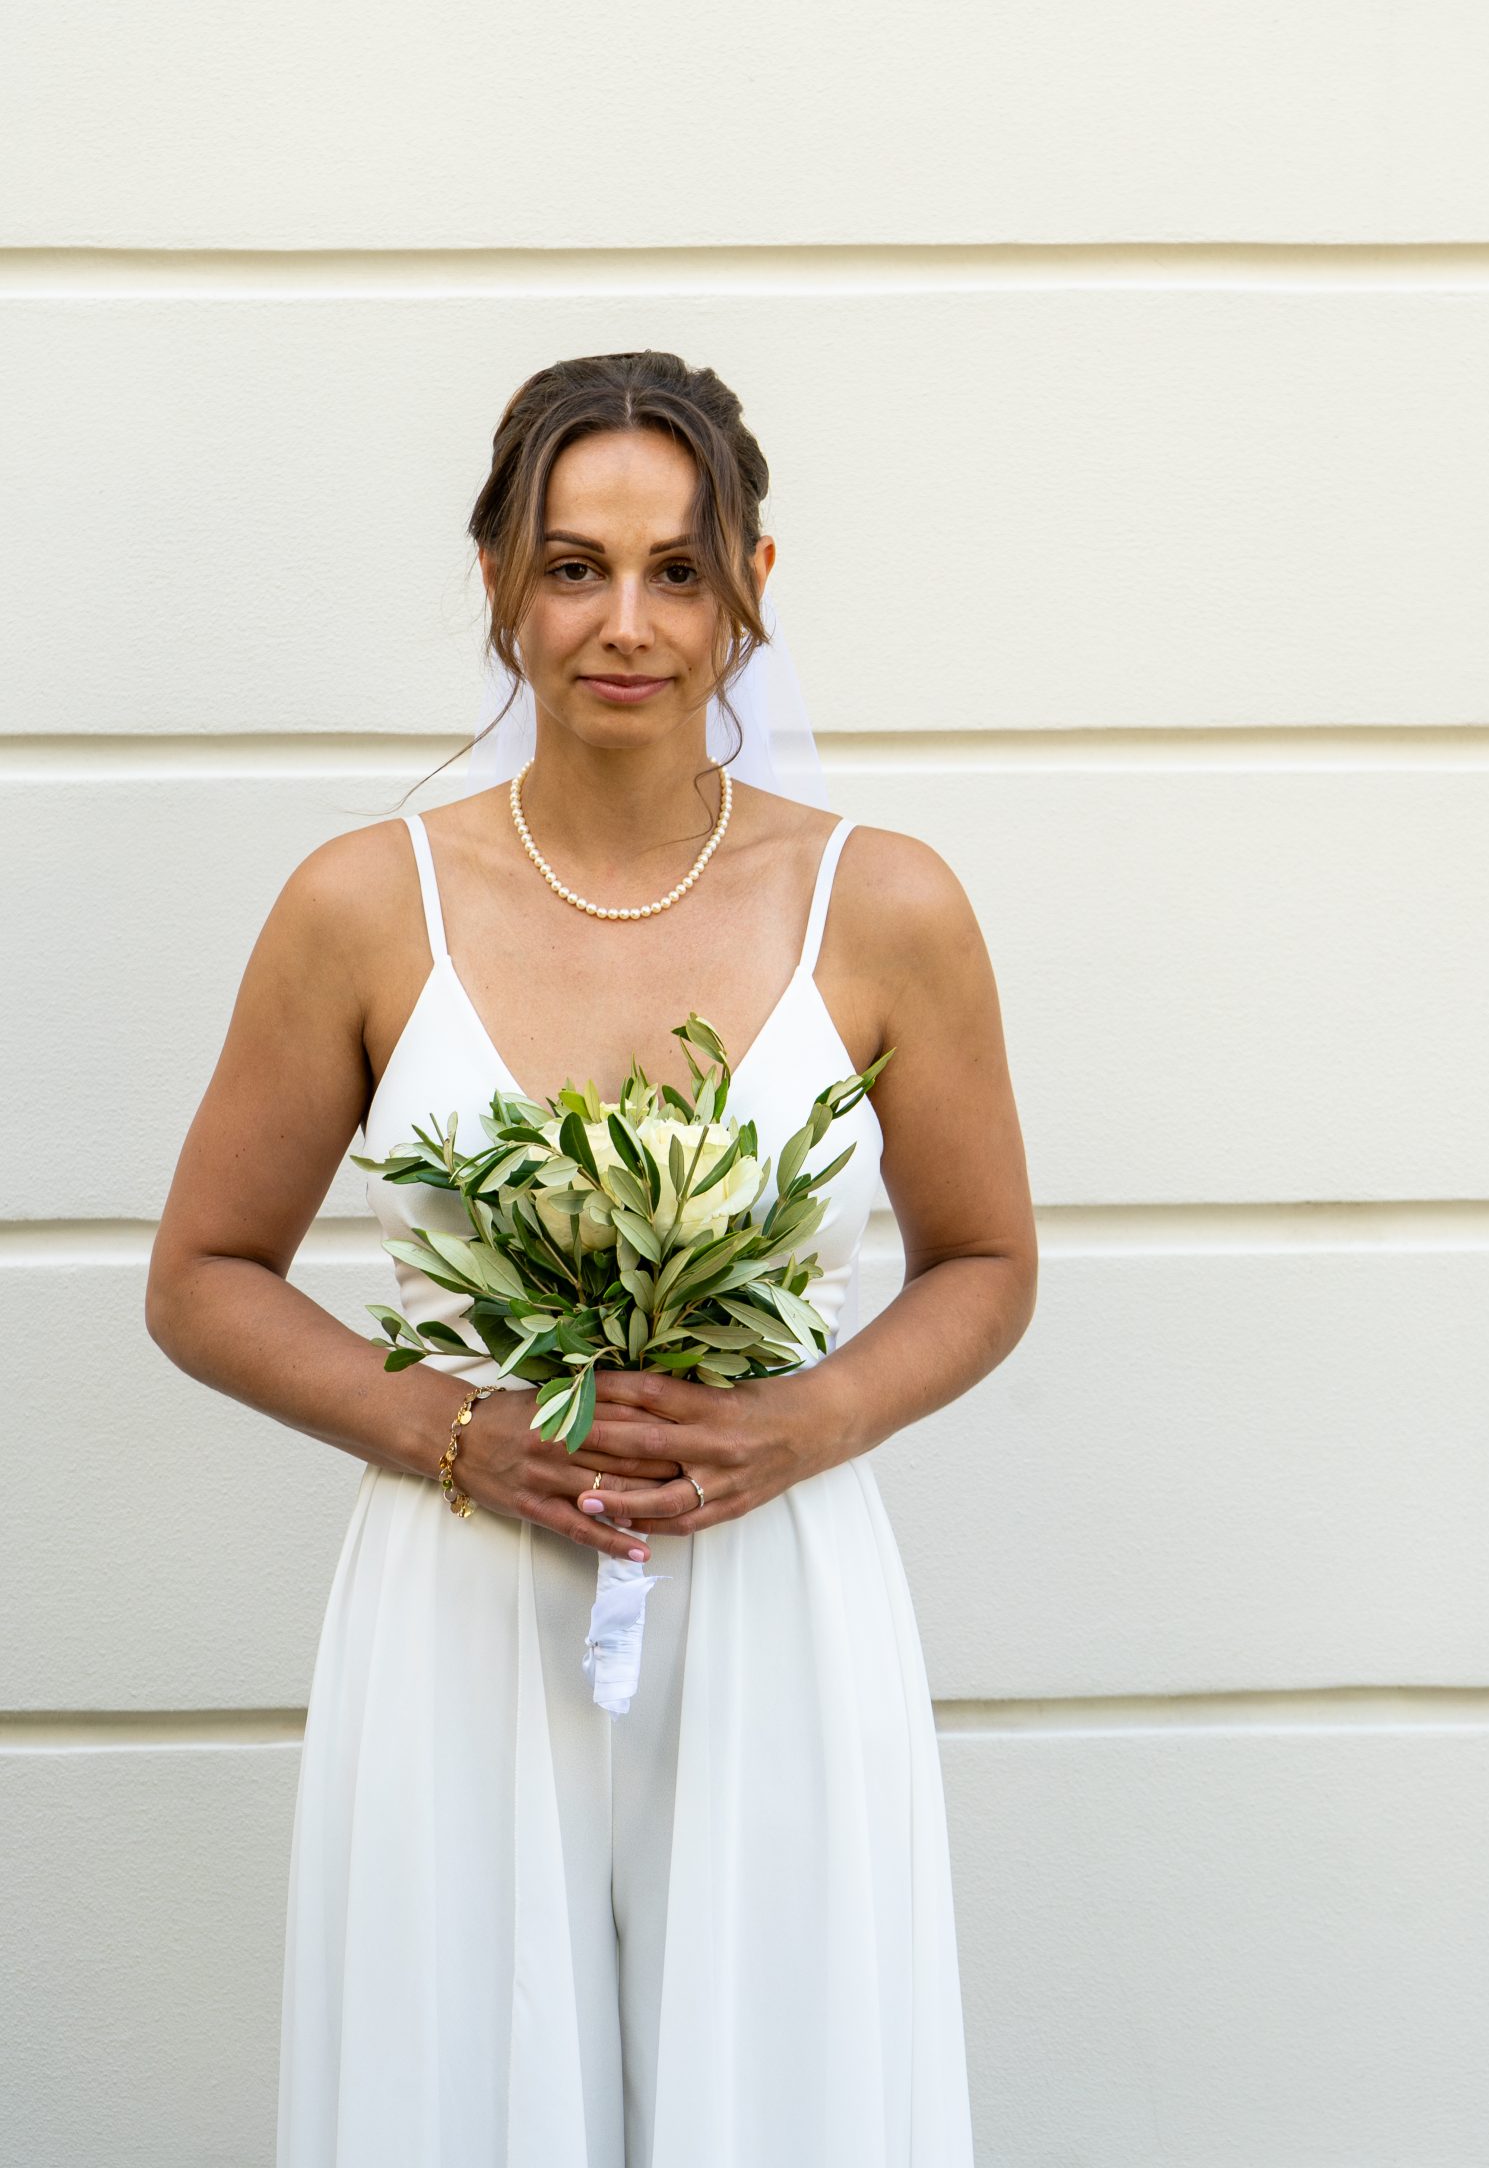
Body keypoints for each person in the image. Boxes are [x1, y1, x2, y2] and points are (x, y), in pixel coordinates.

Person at [145, 349, 1038, 2167]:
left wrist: (807, 1421)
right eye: (574, 568)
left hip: (777, 1601)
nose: (626, 623)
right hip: (464, 1605)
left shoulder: (887, 905)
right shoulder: (359, 907)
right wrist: (457, 1433)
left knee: (780, 2092)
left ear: (751, 588)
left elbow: (985, 1259)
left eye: (676, 570)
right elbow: (206, 1274)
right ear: (497, 582)